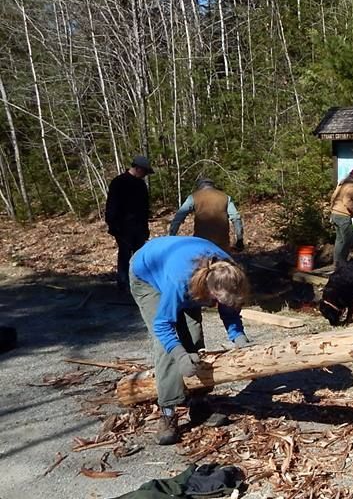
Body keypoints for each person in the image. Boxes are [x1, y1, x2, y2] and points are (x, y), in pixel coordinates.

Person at [129, 236, 251, 445]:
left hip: (182, 267)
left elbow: (229, 310)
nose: (218, 305)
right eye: (217, 300)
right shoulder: (179, 281)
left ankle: (199, 403)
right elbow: (162, 325)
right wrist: (179, 355)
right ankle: (168, 412)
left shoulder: (228, 273)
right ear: (210, 291)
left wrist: (239, 337)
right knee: (166, 348)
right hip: (147, 275)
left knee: (194, 337)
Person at [105, 155, 152, 290]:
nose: (145, 175)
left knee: (139, 256)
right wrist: (112, 224)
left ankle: (139, 284)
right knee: (125, 255)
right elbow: (111, 205)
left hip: (139, 227)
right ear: (137, 168)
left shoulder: (141, 185)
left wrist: (145, 227)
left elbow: (144, 208)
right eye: (145, 172)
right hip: (123, 227)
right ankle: (123, 284)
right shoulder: (119, 182)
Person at [169, 178, 244, 252]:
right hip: (222, 242)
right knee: (223, 263)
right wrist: (239, 239)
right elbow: (236, 218)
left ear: (200, 186)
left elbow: (179, 216)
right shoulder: (225, 197)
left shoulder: (194, 197)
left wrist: (171, 236)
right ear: (212, 186)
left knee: (201, 262)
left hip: (201, 241)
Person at [329, 167, 353, 268]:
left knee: (339, 240)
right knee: (347, 240)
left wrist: (332, 210)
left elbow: (333, 197)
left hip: (335, 214)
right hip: (343, 216)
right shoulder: (351, 187)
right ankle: (342, 264)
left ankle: (336, 263)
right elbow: (347, 201)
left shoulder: (342, 183)